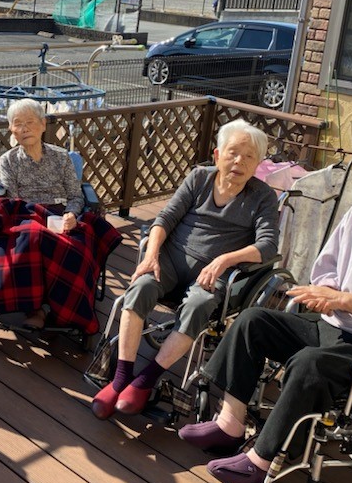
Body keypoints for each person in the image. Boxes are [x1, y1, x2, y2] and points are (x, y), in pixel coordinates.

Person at [185, 141, 352, 483]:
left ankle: (262, 461)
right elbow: (326, 267)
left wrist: (344, 299)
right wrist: (325, 295)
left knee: (310, 364)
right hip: (337, 326)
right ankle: (229, 425)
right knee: (252, 322)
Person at [91, 119, 278, 420]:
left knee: (199, 304)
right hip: (171, 260)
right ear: (218, 155)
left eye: (249, 156)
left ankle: (145, 381)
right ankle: (121, 378)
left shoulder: (263, 197)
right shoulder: (199, 178)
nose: (239, 161)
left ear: (257, 164)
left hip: (211, 276)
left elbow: (268, 246)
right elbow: (164, 219)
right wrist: (151, 255)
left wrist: (224, 260)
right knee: (140, 287)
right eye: (233, 153)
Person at [0, 99, 122, 333]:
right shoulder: (8, 160)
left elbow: (76, 196)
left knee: (78, 249)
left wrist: (72, 214)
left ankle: (57, 308)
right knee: (29, 237)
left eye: (30, 122)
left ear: (43, 125)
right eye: (18, 124)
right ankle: (36, 309)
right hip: (27, 215)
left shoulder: (61, 157)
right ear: (11, 129)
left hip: (60, 214)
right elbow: (12, 202)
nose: (24, 129)